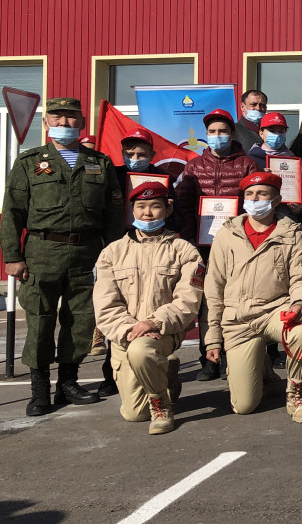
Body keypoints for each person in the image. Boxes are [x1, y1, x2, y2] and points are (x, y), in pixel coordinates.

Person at [1, 97, 123, 416]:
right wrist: (12, 256)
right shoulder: (29, 162)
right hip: (42, 252)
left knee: (81, 320)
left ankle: (68, 383)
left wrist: (113, 255)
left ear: (81, 123)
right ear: (46, 123)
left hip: (88, 252)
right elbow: (12, 211)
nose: (64, 124)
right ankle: (39, 390)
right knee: (40, 321)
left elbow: (113, 214)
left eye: (71, 118)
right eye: (57, 118)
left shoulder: (100, 162)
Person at [205, 172, 302, 422]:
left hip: (276, 310)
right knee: (244, 406)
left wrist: (300, 302)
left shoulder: (291, 233)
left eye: (262, 194)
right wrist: (213, 337)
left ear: (276, 200)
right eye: (250, 194)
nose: (255, 199)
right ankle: (265, 372)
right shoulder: (226, 234)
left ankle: (296, 394)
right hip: (239, 319)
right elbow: (214, 287)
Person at [92, 182, 202, 434]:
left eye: (155, 206)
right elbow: (105, 303)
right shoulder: (112, 253)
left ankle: (161, 404)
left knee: (142, 350)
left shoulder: (184, 250)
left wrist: (154, 322)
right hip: (125, 334)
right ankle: (166, 368)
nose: (147, 213)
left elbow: (189, 298)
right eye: (141, 207)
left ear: (168, 209)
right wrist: (132, 329)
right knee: (135, 414)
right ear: (132, 211)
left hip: (164, 331)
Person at [174, 107, 257, 380]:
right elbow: (185, 205)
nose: (217, 135)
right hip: (203, 245)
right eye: (212, 131)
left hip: (236, 244)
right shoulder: (194, 167)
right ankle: (209, 358)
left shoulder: (247, 164)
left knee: (235, 298)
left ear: (232, 134)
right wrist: (190, 240)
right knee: (207, 301)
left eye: (222, 131)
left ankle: (233, 355)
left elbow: (253, 205)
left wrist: (245, 238)